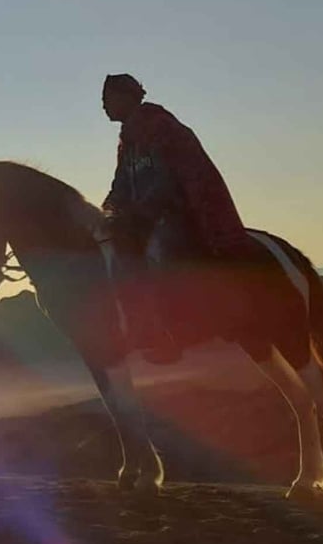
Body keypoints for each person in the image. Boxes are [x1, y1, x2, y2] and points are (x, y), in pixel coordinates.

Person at [98, 73, 252, 363]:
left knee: (162, 250)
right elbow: (120, 185)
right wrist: (107, 211)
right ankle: (142, 330)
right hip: (142, 218)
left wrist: (140, 211)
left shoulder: (162, 129)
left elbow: (168, 179)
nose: (104, 106)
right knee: (114, 255)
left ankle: (180, 329)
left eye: (108, 99)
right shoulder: (127, 143)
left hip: (177, 213)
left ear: (127, 97)